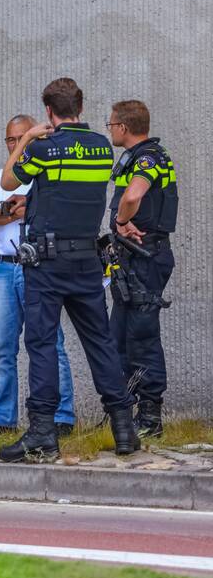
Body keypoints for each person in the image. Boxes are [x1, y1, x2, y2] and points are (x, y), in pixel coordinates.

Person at [0, 78, 139, 462]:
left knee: (41, 343)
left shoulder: (43, 147)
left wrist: (26, 141)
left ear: (48, 111)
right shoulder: (99, 148)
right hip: (87, 263)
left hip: (47, 263)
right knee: (99, 342)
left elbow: (8, 181)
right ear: (79, 105)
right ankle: (124, 427)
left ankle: (43, 431)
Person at [0, 115, 76, 439]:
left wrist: (14, 207)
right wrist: (17, 207)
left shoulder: (46, 171)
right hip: (4, 267)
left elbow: (38, 210)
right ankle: (3, 417)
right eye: (10, 140)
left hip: (39, 267)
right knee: (1, 347)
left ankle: (62, 416)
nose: (15, 145)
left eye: (21, 138)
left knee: (50, 343)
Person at [106, 100, 177, 437]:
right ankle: (125, 412)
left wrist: (121, 221)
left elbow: (133, 196)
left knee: (142, 338)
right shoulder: (138, 157)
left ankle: (150, 418)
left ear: (123, 127)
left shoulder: (149, 158)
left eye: (111, 125)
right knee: (119, 337)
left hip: (145, 258)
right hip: (131, 260)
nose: (110, 131)